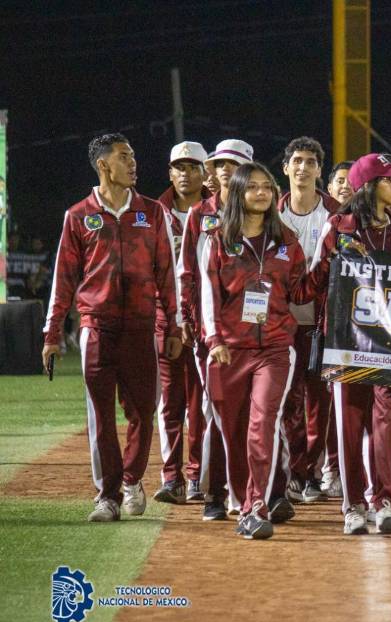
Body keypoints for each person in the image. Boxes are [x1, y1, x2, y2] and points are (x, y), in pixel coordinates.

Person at [43, 133, 181, 522]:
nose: (134, 162)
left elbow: (167, 274)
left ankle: (133, 479)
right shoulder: (78, 215)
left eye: (133, 155)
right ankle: (108, 496)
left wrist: (172, 327)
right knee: (100, 415)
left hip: (141, 328)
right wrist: (52, 334)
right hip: (97, 328)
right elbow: (64, 279)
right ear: (104, 165)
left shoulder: (153, 213)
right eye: (124, 157)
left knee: (143, 410)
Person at [199, 162, 317, 540]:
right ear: (236, 193)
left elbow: (299, 293)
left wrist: (328, 263)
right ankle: (241, 500)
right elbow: (207, 296)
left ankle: (256, 506)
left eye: (267, 187)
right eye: (253, 188)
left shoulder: (287, 240)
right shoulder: (217, 239)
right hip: (229, 352)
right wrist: (214, 341)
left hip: (276, 350)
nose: (263, 193)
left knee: (261, 424)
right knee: (233, 434)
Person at [310, 153, 391, 534]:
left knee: (387, 419)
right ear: (369, 186)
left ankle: (384, 500)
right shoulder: (339, 225)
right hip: (347, 339)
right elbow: (316, 280)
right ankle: (353, 504)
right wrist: (334, 259)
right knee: (350, 423)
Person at [179, 138, 254, 521]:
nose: (224, 169)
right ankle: (214, 491)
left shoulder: (261, 211)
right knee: (216, 410)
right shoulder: (200, 214)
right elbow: (187, 273)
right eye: (219, 163)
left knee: (258, 415)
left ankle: (266, 491)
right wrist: (188, 321)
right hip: (210, 331)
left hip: (255, 332)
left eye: (232, 163)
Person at [278, 137, 342, 504]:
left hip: (321, 324)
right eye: (297, 160)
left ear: (320, 170)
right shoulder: (271, 212)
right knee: (287, 401)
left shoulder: (335, 214)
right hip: (280, 323)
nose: (303, 168)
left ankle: (310, 474)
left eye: (311, 162)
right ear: (286, 167)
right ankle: (292, 471)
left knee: (320, 402)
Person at [154, 141, 211, 504]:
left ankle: (195, 475)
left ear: (204, 173)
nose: (185, 174)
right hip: (165, 319)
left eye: (193, 167)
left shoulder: (218, 212)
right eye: (179, 167)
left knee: (200, 402)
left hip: (206, 319)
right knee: (169, 403)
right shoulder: (152, 213)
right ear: (170, 172)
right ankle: (171, 476)